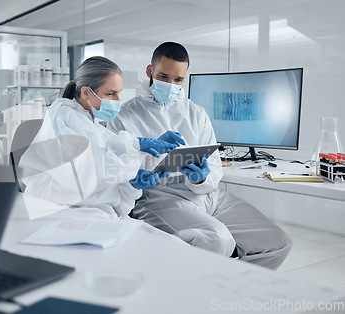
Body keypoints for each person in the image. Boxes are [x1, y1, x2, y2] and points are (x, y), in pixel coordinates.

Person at [107, 42, 292, 269]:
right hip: (161, 197)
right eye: (164, 77)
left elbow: (214, 165)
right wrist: (145, 161)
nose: (171, 85)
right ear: (150, 71)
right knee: (218, 239)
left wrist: (202, 178)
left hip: (208, 195)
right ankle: (195, 295)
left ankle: (230, 286)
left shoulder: (196, 112)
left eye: (178, 80)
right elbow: (116, 172)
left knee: (278, 243)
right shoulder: (125, 116)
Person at [19, 56, 176, 219]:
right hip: (59, 211)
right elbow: (79, 177)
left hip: (89, 211)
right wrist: (132, 154)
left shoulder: (88, 122)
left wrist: (132, 184)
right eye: (110, 93)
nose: (117, 100)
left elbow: (105, 184)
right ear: (86, 92)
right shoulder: (63, 117)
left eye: (119, 93)